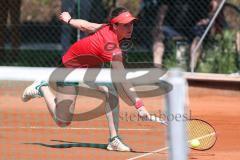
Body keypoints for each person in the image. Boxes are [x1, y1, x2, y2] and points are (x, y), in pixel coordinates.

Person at [21, 7, 150, 152]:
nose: (129, 27)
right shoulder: (112, 47)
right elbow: (123, 80)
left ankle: (114, 140)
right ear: (114, 25)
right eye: (125, 24)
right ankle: (42, 87)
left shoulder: (106, 27)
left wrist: (69, 20)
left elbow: (87, 25)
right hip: (69, 70)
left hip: (89, 71)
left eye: (131, 23)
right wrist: (139, 105)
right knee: (62, 121)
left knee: (111, 91)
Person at [152, 0, 217, 70]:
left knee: (197, 40)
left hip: (196, 25)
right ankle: (157, 68)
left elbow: (214, 4)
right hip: (173, 25)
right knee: (158, 37)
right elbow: (163, 8)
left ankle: (192, 69)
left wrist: (208, 19)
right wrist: (158, 25)